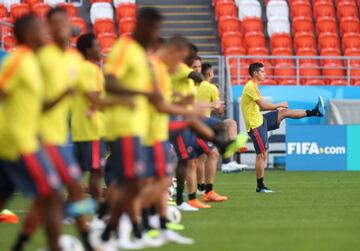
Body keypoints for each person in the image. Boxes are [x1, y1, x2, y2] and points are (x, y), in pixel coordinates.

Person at [0, 15, 63, 251]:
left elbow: (33, 105)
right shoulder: (18, 60)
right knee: (53, 195)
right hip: (17, 142)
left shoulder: (33, 62)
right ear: (28, 34)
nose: (46, 31)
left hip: (23, 139)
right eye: (41, 28)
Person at [36, 7, 96, 250]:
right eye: (57, 22)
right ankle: (84, 238)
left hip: (60, 135)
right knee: (66, 189)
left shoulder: (74, 60)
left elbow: (88, 93)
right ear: (49, 27)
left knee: (64, 191)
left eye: (66, 20)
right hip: (39, 136)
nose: (63, 26)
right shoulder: (41, 58)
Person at [242, 62, 325, 193]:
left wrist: (278, 108)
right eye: (262, 71)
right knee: (262, 155)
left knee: (284, 113)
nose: (265, 73)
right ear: (255, 73)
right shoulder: (250, 87)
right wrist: (278, 104)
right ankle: (260, 186)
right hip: (255, 125)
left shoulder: (253, 86)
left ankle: (315, 112)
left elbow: (256, 107)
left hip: (260, 120)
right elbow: (263, 106)